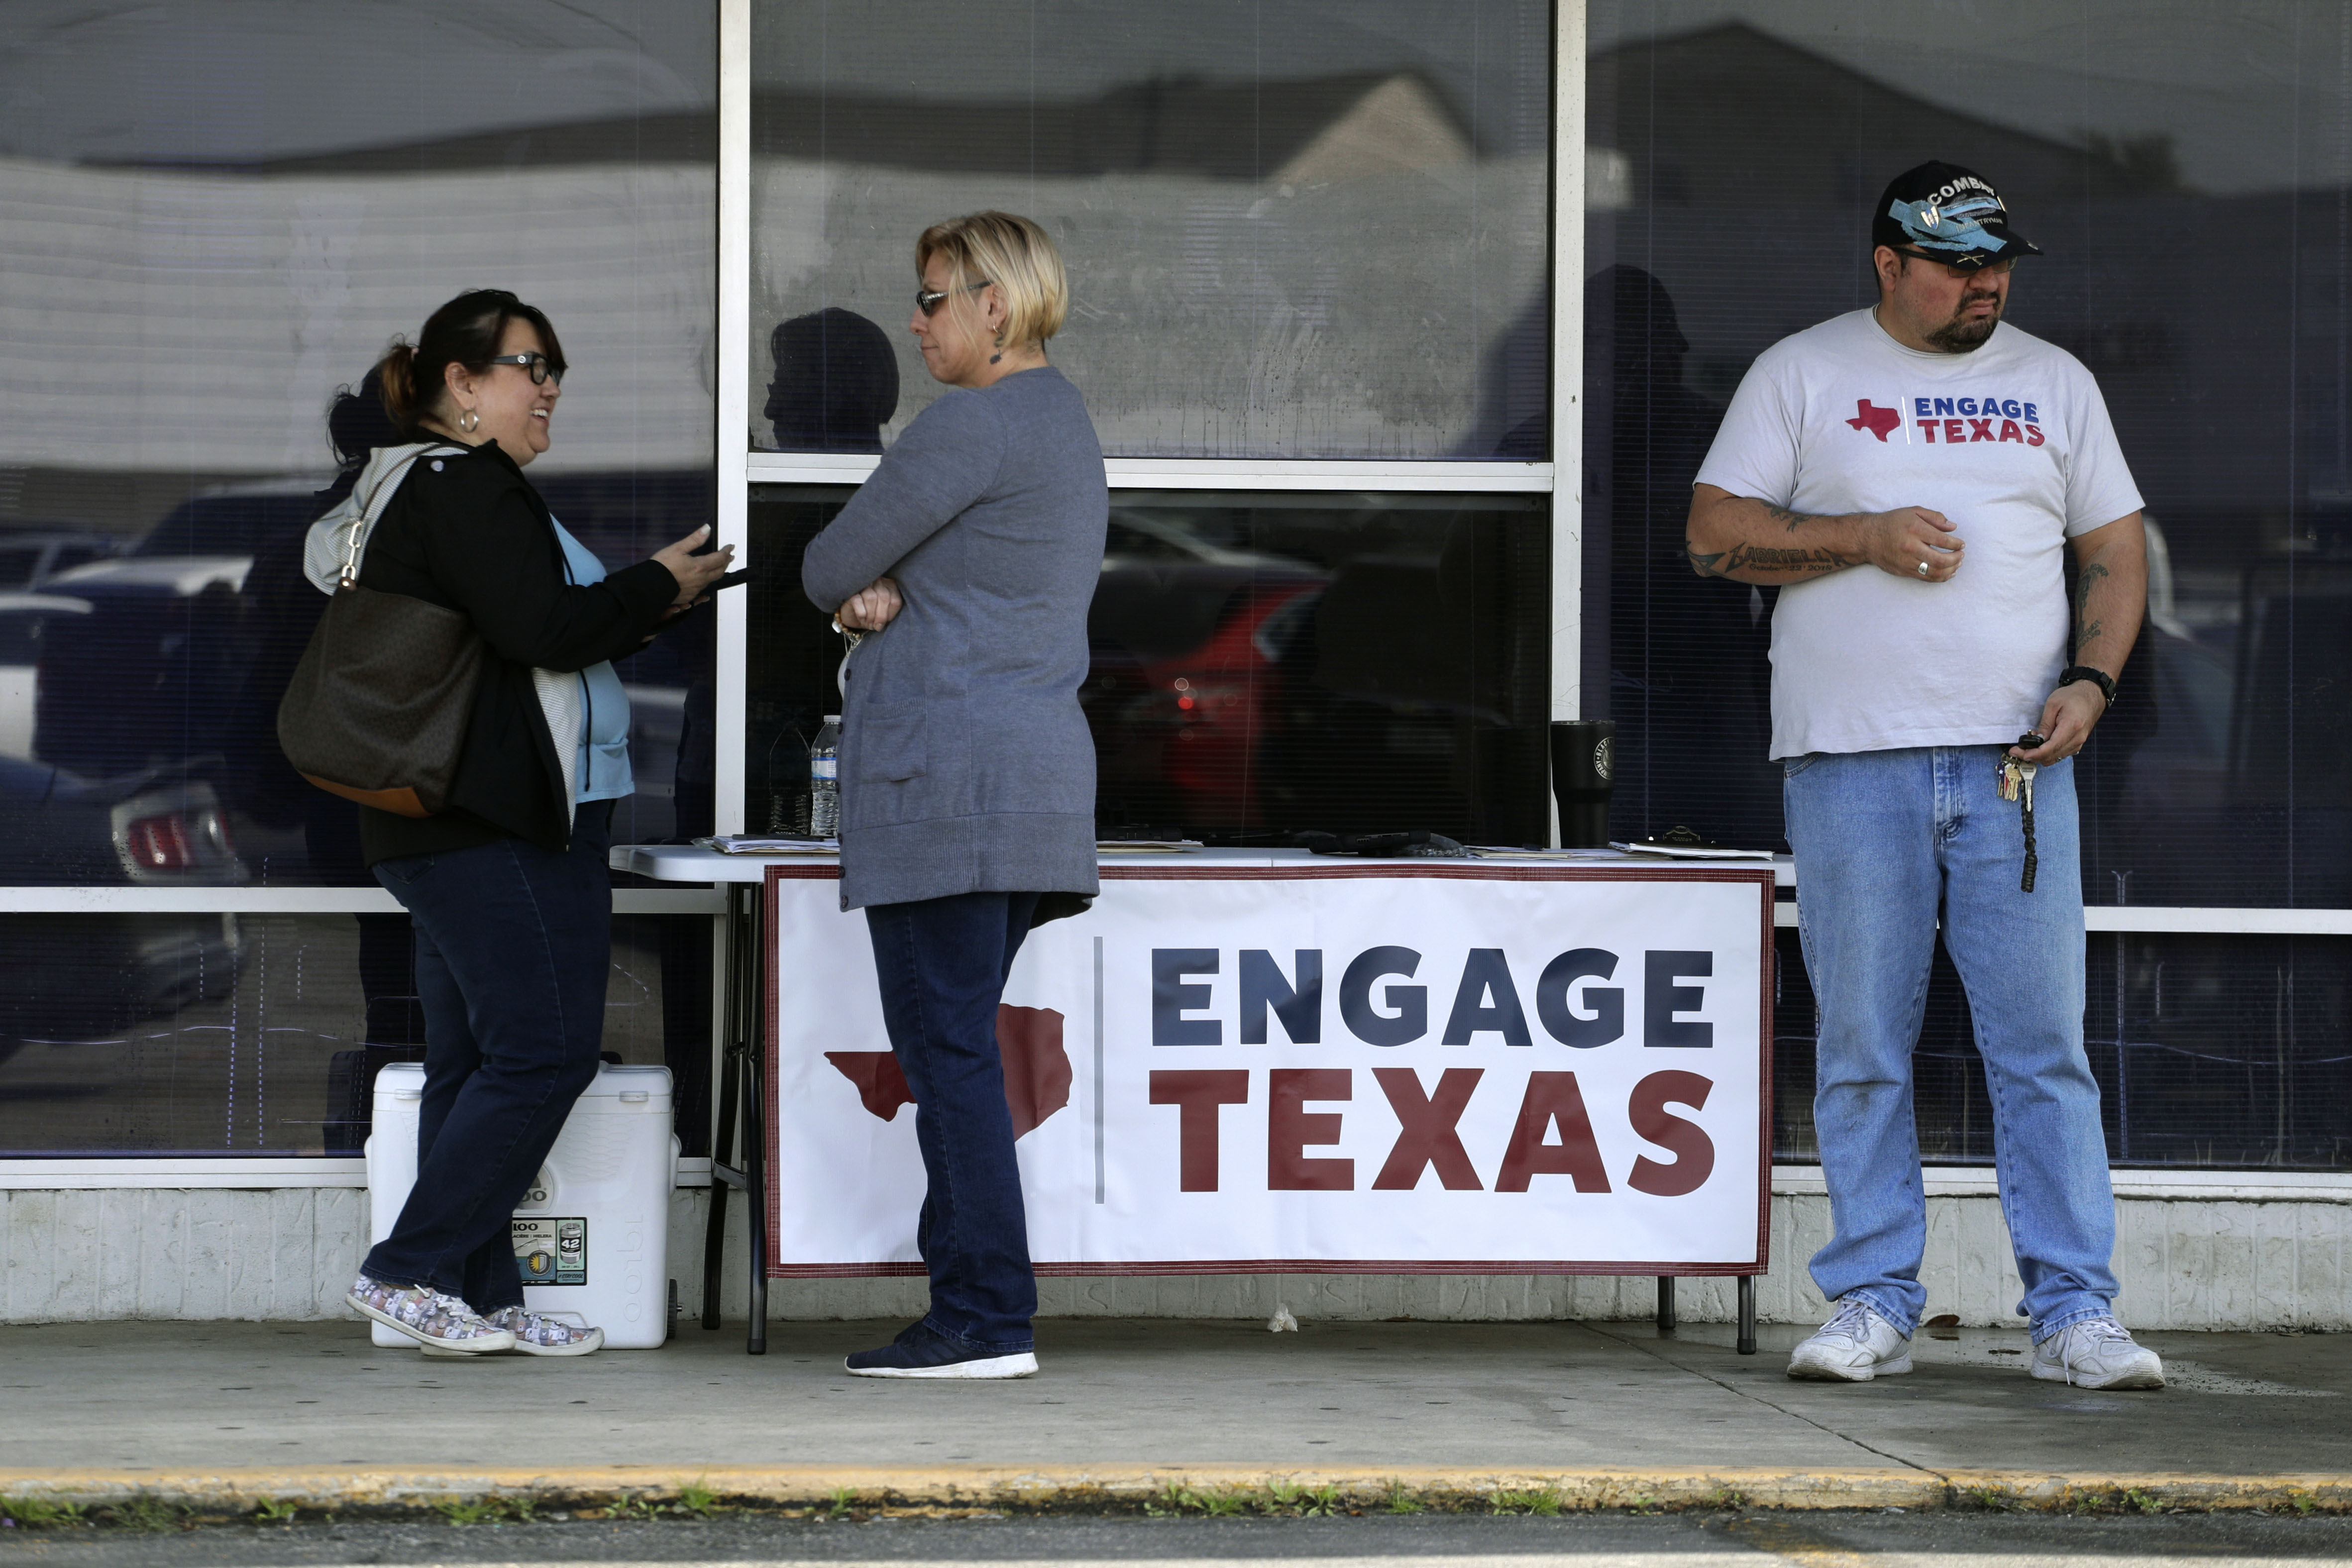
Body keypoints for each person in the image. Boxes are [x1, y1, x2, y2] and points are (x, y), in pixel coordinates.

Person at [1684, 164, 2162, 1390]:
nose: (1982, 284)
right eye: (1956, 264)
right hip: (1850, 759)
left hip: (2013, 766)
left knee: (2041, 1046)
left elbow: (2110, 550)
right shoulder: (1803, 370)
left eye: (1996, 262)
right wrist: (1860, 535)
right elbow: (1709, 534)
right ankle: (1871, 1298)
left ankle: (2072, 1311)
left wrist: (2093, 683)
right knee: (1859, 1043)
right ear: (1888, 263)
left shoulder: (2052, 382)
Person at [329, 289, 733, 1355]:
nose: (548, 386)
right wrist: (653, 582)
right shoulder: (466, 485)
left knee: (476, 1066)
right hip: (492, 825)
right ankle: (405, 1270)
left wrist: (649, 604)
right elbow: (541, 627)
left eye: (557, 367)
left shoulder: (444, 488)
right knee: (547, 1055)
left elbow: (517, 644)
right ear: (461, 385)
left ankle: (478, 1296)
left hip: (461, 822)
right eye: (526, 366)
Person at [801, 211, 1106, 1380]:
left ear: (996, 303)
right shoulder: (1062, 420)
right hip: (1027, 787)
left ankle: (981, 1316)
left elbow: (826, 563)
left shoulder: (966, 426)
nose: (917, 320)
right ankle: (975, 1306)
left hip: (950, 789)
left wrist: (861, 596)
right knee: (956, 1049)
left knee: (949, 1059)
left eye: (932, 298)